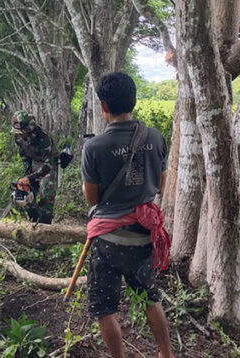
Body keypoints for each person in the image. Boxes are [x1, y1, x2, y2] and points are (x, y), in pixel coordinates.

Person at [81, 72, 175, 358]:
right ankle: (166, 354)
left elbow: (92, 198)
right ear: (133, 101)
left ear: (103, 106)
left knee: (104, 307)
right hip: (144, 236)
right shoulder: (155, 137)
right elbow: (161, 184)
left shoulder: (94, 147)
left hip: (109, 240)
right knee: (149, 297)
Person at [11, 110, 58, 224]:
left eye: (23, 131)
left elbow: (49, 163)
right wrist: (26, 177)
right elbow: (25, 158)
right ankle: (33, 222)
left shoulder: (43, 137)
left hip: (48, 166)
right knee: (27, 194)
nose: (21, 134)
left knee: (46, 195)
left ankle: (46, 226)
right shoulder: (18, 138)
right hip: (33, 164)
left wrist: (30, 178)